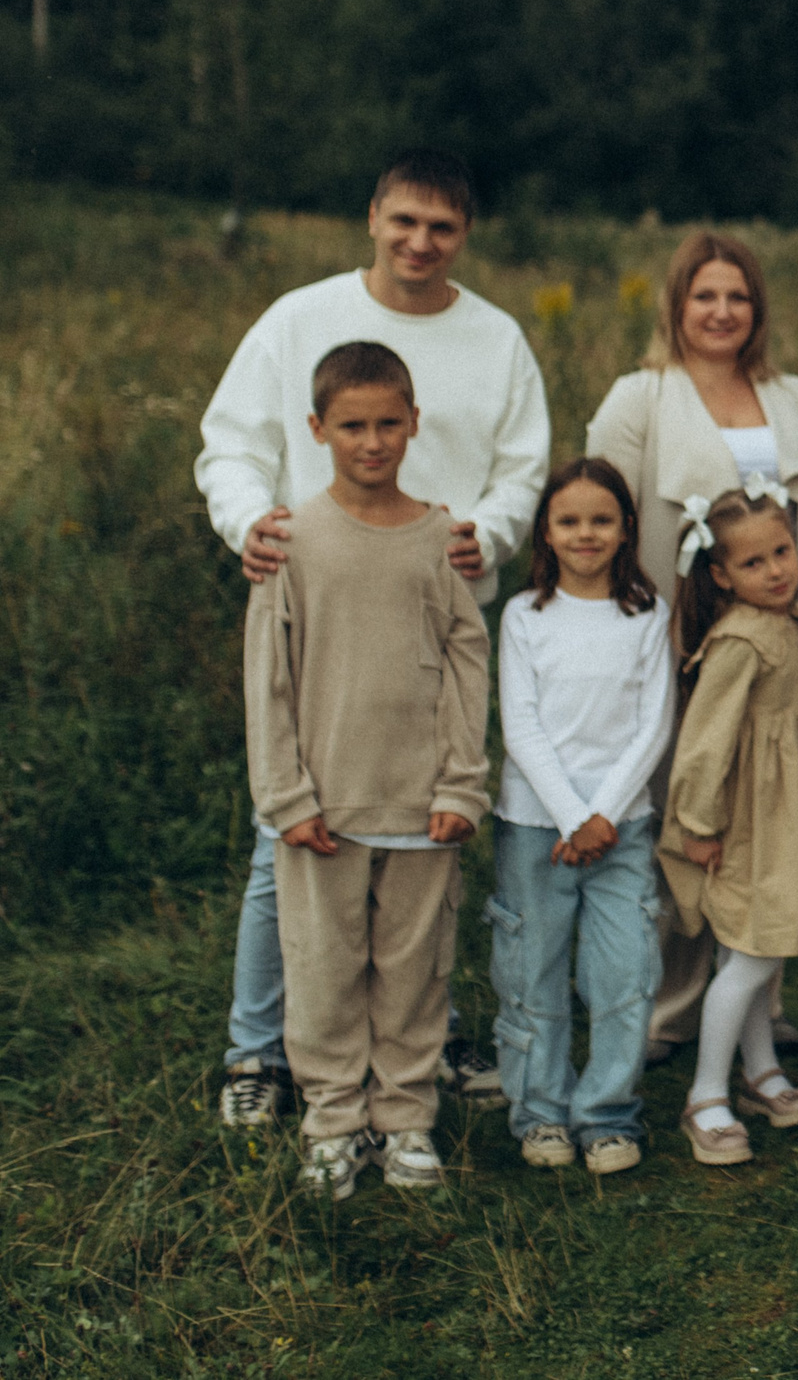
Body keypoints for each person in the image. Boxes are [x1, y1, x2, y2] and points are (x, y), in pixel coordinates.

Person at [198, 148, 544, 1126]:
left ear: (463, 233)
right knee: (294, 836)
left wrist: (496, 531)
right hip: (325, 607)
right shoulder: (299, 319)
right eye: (404, 222)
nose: (420, 243)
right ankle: (259, 1052)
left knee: (426, 839)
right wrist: (246, 518)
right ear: (373, 218)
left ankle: (417, 1045)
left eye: (440, 227)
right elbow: (230, 440)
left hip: (440, 611)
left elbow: (523, 464)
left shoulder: (497, 339)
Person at [243, 342, 490, 1199]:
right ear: (318, 429)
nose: (373, 441)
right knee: (322, 967)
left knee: (415, 968)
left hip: (422, 807)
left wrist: (462, 784)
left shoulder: (441, 540)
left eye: (390, 423)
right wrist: (286, 797)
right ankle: (333, 1123)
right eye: (353, 425)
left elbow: (467, 664)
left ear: (416, 423)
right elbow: (267, 680)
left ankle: (406, 1118)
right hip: (323, 808)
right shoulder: (293, 541)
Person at [587, 232, 798, 1067]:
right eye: (705, 296)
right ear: (677, 306)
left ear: (756, 309)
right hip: (677, 644)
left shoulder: (789, 394)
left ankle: (759, 995)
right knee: (685, 817)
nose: (722, 311)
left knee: (768, 817)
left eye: (737, 296)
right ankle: (671, 1005)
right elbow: (605, 518)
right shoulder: (640, 396)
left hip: (775, 646)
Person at [489, 458, 674, 1177]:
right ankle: (540, 1112)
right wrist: (571, 815)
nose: (586, 533)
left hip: (622, 827)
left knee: (625, 971)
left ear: (626, 527)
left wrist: (603, 815)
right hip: (538, 824)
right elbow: (522, 726)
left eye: (602, 519)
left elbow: (653, 725)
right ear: (546, 531)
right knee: (533, 971)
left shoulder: (646, 614)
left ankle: (607, 1114)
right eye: (569, 521)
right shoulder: (525, 615)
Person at [658, 483, 798, 1167]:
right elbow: (705, 741)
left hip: (788, 816)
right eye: (753, 562)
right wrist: (697, 823)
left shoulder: (791, 620)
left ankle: (760, 1072)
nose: (775, 570)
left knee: (760, 950)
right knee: (750, 957)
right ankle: (705, 1094)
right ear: (720, 574)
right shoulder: (738, 639)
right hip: (750, 826)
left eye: (782, 551)